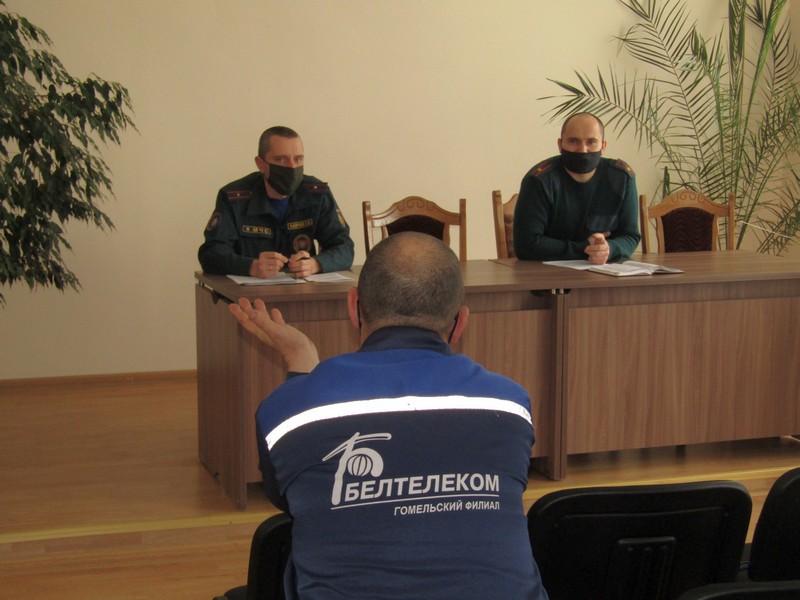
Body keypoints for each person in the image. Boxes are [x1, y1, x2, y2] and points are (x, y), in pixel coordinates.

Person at [229, 232, 548, 600]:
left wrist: (302, 369)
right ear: (461, 322)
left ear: (354, 306)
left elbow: (294, 497)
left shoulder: (287, 410)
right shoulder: (510, 406)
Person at [198, 126, 354, 278]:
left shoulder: (317, 194)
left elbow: (345, 247)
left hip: (303, 289)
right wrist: (251, 266)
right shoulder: (234, 197)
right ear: (260, 164)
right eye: (281, 159)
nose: (292, 167)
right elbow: (211, 253)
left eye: (298, 159)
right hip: (249, 292)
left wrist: (315, 264)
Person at [513, 112, 641, 264]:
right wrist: (586, 248)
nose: (582, 150)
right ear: (560, 144)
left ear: (603, 146)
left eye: (591, 142)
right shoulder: (539, 180)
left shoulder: (622, 178)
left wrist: (608, 249)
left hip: (607, 270)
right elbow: (526, 245)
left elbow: (630, 235)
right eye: (573, 141)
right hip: (549, 273)